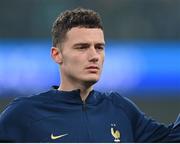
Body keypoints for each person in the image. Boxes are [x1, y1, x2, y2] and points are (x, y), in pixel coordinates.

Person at [0, 7, 180, 143]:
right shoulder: (25, 114)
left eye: (99, 47)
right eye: (82, 47)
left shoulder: (121, 110)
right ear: (57, 55)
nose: (94, 56)